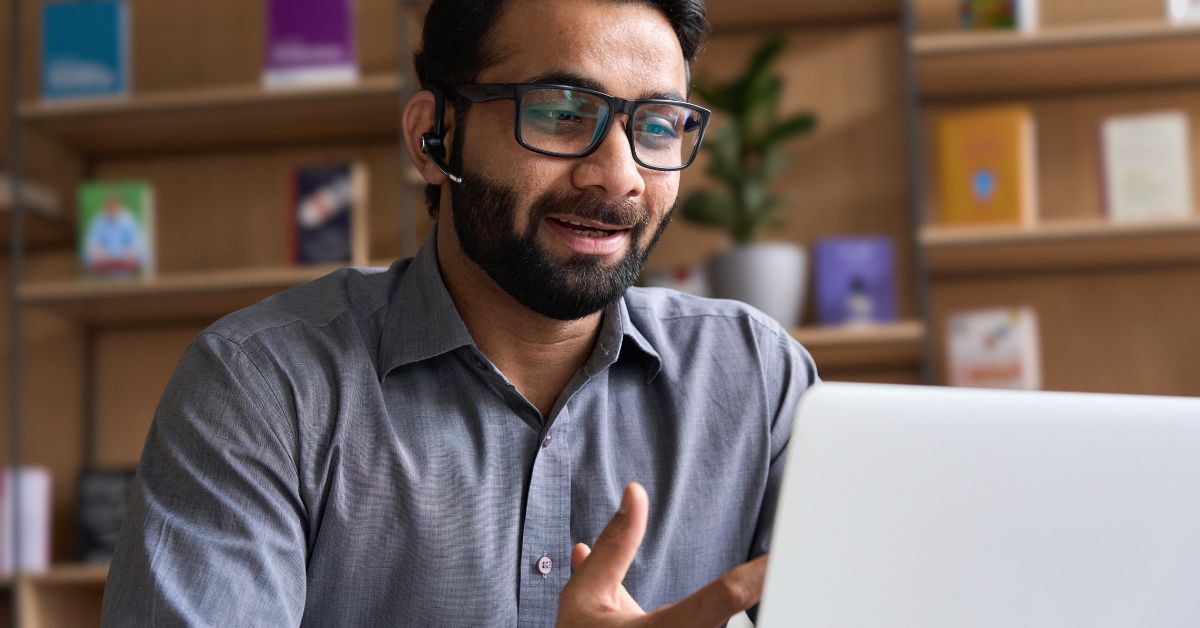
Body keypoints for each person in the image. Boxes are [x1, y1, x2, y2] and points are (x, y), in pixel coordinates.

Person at [100, 0, 818, 626]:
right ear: (432, 138)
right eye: (562, 112)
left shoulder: (757, 378)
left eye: (657, 126)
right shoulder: (263, 386)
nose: (620, 175)